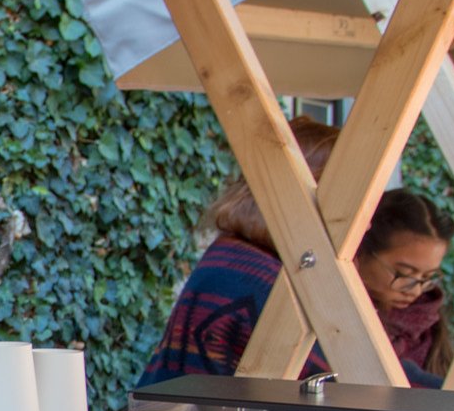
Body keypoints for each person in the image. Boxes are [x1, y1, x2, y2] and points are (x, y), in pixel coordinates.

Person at [140, 116, 338, 384]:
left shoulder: (237, 254)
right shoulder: (264, 278)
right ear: (307, 195)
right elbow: (340, 379)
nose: (367, 220)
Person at [355, 188, 454, 382]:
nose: (416, 290)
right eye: (404, 274)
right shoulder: (335, 318)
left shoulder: (428, 325)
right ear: (361, 252)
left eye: (427, 277)